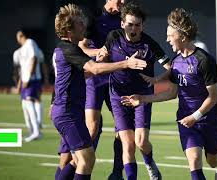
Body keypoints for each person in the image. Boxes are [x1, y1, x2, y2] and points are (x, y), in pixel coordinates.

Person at [121, 8, 217, 180]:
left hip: (208, 119)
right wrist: (142, 99)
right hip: (186, 120)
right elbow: (172, 92)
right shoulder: (176, 63)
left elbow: (214, 96)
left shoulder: (204, 61)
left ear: (183, 37)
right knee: (194, 160)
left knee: (212, 160)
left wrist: (196, 115)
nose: (167, 39)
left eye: (171, 35)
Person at [52, 4, 147, 180]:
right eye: (79, 24)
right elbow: (94, 69)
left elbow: (85, 73)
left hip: (68, 112)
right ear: (69, 30)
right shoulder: (69, 49)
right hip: (67, 113)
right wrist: (125, 63)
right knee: (86, 159)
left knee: (83, 159)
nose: (84, 26)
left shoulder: (66, 49)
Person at [101, 3, 170, 180]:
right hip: (118, 97)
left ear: (142, 26)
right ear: (122, 23)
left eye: (137, 25)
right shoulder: (113, 37)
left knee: (141, 142)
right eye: (130, 24)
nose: (134, 28)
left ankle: (149, 162)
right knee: (128, 144)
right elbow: (103, 58)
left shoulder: (149, 44)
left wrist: (157, 79)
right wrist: (101, 55)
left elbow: (172, 68)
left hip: (142, 97)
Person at [79, 0, 126, 179]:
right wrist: (101, 51)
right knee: (92, 128)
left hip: (117, 79)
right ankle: (84, 171)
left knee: (122, 128)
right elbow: (82, 47)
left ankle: (116, 173)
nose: (123, 1)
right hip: (95, 79)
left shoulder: (125, 18)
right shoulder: (94, 18)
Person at [14, 30, 43, 142]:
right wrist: (19, 83)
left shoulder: (30, 43)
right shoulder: (20, 50)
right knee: (26, 104)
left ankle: (36, 131)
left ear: (21, 35)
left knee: (30, 102)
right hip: (26, 80)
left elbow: (34, 59)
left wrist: (30, 76)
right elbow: (21, 69)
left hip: (31, 80)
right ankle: (33, 130)